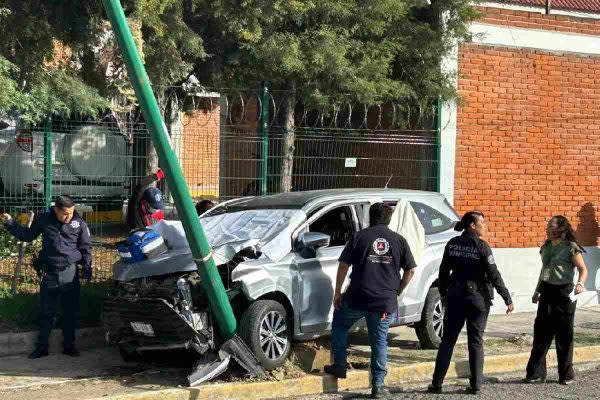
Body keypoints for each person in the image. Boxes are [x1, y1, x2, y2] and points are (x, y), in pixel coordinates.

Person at [323, 203, 417, 399]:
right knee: (379, 341)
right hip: (384, 301)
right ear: (389, 220)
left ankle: (339, 365)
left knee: (340, 325)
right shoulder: (399, 240)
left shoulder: (359, 237)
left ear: (370, 218)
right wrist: (397, 290)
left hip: (357, 296)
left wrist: (337, 292)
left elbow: (343, 265)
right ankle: (378, 385)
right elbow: (410, 270)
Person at [428, 211, 514, 395]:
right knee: (475, 342)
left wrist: (444, 294)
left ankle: (437, 384)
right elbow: (493, 273)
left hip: (456, 297)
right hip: (478, 299)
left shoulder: (452, 244)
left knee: (448, 341)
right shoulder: (482, 246)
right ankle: (475, 386)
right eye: (482, 223)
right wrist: (506, 297)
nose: (485, 226)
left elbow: (443, 272)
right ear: (472, 226)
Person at [0, 195, 92, 359]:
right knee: (46, 312)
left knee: (70, 311)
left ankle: (69, 346)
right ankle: (42, 347)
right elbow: (27, 235)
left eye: (71, 213)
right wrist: (10, 223)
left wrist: (87, 268)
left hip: (70, 273)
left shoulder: (79, 223)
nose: (69, 217)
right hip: (50, 272)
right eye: (65, 213)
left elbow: (85, 247)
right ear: (56, 210)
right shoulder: (44, 219)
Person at [523, 215, 588, 385]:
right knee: (541, 333)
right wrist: (537, 290)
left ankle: (566, 375)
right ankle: (536, 373)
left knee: (564, 335)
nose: (547, 229)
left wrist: (580, 284)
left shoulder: (571, 248)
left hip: (565, 292)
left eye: (551, 226)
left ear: (561, 229)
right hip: (547, 290)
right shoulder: (546, 246)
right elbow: (544, 270)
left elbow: (583, 269)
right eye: (547, 226)